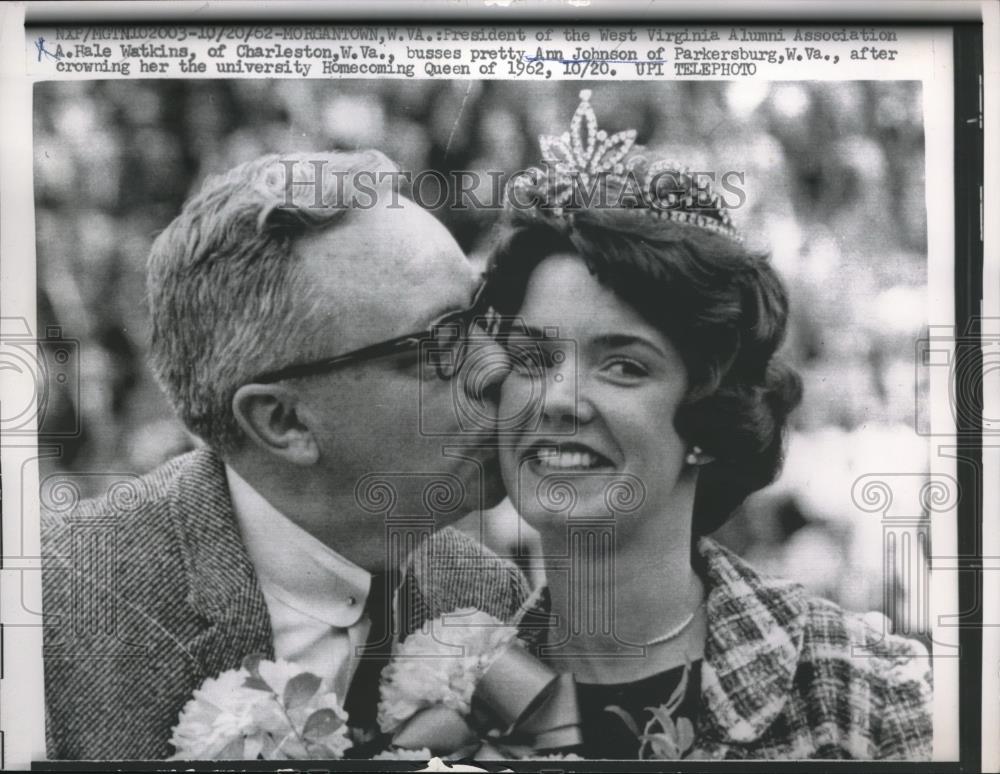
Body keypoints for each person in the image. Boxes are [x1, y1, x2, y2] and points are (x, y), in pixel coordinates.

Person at [484, 91, 932, 760]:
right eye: (532, 357)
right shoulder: (454, 692)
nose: (558, 400)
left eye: (624, 367)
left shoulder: (862, 694)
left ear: (708, 413)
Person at [40, 150, 529, 760]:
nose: (499, 365)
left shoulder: (492, 598)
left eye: (485, 313)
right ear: (284, 421)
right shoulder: (49, 615)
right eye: (444, 341)